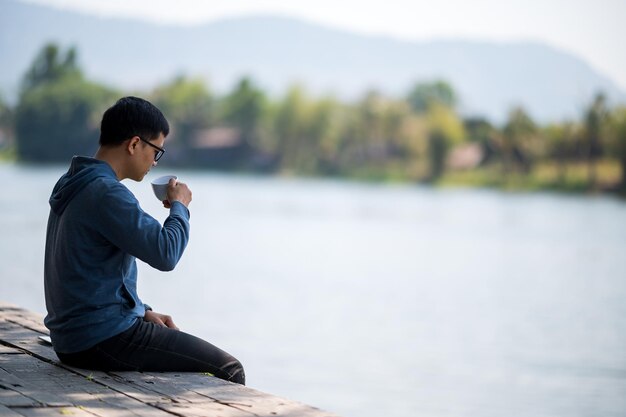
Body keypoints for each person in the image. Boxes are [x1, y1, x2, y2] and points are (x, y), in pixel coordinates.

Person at [43, 96, 245, 385]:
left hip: (71, 338)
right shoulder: (107, 193)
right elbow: (166, 253)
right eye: (156, 151)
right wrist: (180, 207)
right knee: (230, 369)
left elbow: (89, 271)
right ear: (134, 144)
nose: (154, 161)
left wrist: (141, 311)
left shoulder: (73, 181)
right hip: (101, 338)